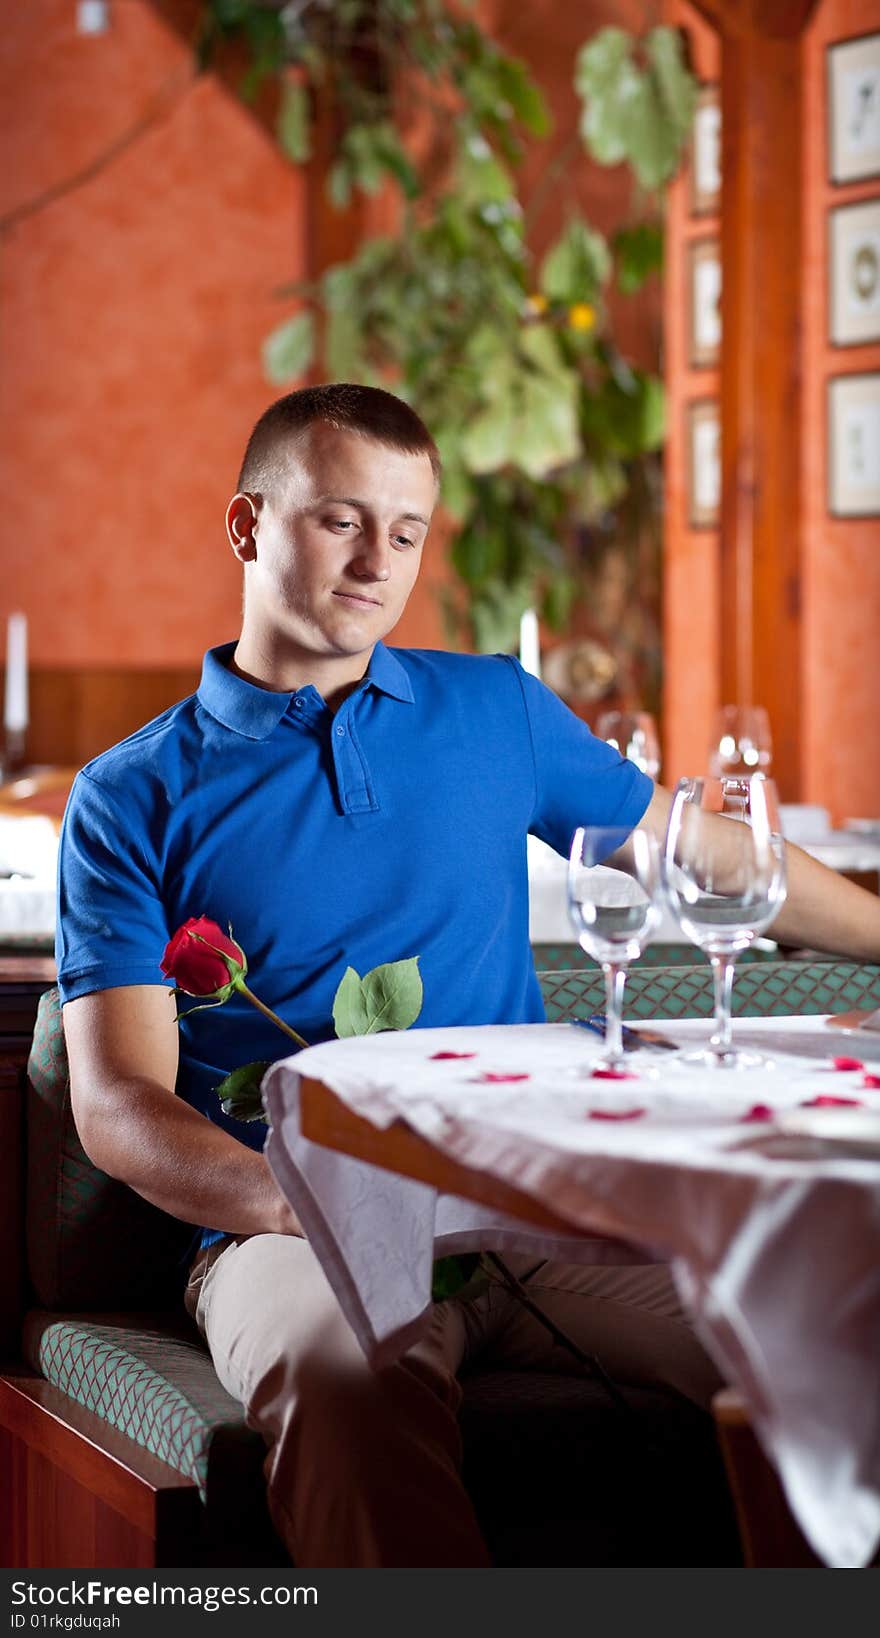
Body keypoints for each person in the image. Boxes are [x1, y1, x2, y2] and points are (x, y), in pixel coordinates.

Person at [58, 383, 880, 1568]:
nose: (376, 561)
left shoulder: (495, 709)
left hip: (537, 1203)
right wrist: (298, 1202)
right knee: (345, 1381)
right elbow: (119, 1105)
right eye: (341, 520)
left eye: (404, 531)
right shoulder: (131, 794)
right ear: (247, 527)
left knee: (836, 1324)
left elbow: (699, 853)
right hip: (296, 1234)